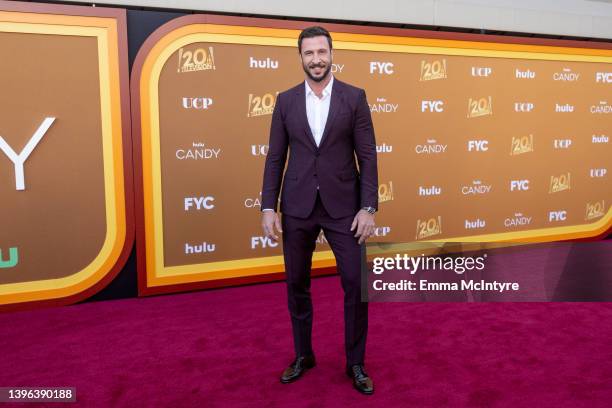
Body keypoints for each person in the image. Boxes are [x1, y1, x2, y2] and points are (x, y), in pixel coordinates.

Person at [260, 26, 379, 395]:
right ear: (300, 58)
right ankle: (303, 355)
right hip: (297, 207)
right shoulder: (285, 101)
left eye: (321, 52)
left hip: (344, 207)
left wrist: (368, 207)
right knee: (296, 283)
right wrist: (268, 206)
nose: (316, 59)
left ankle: (355, 362)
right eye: (309, 53)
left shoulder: (354, 97)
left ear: (331, 54)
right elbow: (276, 156)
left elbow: (368, 156)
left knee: (355, 285)